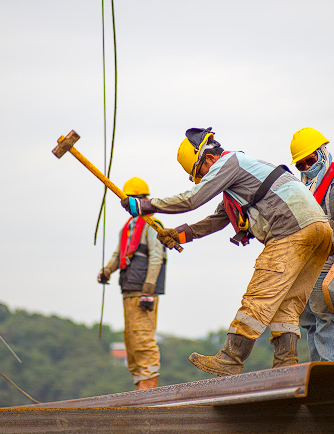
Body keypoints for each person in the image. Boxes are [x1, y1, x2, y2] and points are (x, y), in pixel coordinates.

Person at [121, 127, 332, 378]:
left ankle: (231, 359)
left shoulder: (229, 163)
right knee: (287, 304)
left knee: (258, 297)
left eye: (199, 173)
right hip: (321, 232)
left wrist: (147, 205)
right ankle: (285, 364)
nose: (202, 180)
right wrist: (179, 234)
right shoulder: (245, 172)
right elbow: (218, 219)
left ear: (209, 158)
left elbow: (192, 199)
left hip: (291, 230)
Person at [97, 177, 166, 389]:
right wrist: (107, 270)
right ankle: (139, 382)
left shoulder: (152, 225)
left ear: (143, 200)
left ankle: (148, 384)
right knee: (131, 340)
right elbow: (119, 255)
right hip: (128, 289)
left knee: (143, 338)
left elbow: (156, 258)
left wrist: (148, 290)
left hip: (143, 292)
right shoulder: (127, 228)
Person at [290, 127, 334, 361]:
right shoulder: (304, 191)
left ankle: (328, 379)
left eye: (311, 160)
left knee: (325, 320)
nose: (307, 167)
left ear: (323, 153)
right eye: (301, 165)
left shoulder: (332, 184)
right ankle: (319, 376)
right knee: (309, 321)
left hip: (328, 265)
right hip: (308, 266)